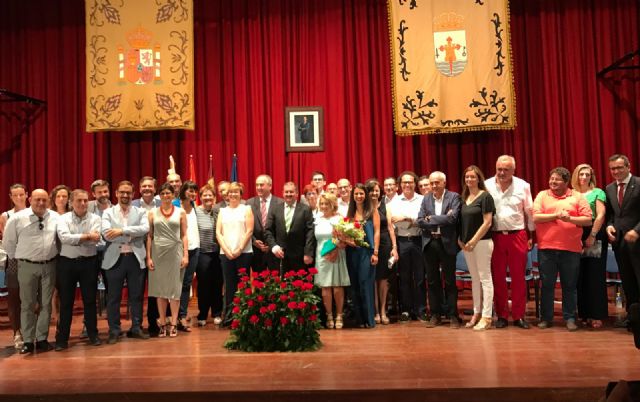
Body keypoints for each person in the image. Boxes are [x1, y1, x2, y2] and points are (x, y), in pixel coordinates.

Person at [533, 167, 592, 331]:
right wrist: (557, 215)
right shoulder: (542, 195)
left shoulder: (577, 196)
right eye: (551, 179)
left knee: (569, 285)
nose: (553, 182)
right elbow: (536, 217)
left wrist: (570, 218)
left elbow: (588, 220)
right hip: (546, 248)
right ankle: (546, 318)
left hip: (570, 249)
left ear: (566, 182)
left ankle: (570, 318)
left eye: (557, 179)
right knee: (547, 285)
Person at [3, 189, 59, 354]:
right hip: (26, 265)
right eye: (37, 199)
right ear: (30, 200)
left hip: (49, 265)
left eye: (44, 200)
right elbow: (8, 243)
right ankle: (28, 340)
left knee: (46, 304)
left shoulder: (55, 217)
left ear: (48, 201)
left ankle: (42, 339)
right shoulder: (17, 218)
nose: (41, 203)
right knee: (27, 304)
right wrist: (20, 259)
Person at [484, 155, 535, 329]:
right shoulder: (487, 185)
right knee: (498, 277)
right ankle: (502, 315)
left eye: (506, 169)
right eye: (499, 169)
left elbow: (529, 211)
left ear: (513, 170)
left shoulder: (523, 185)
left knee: (518, 278)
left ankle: (519, 316)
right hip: (495, 236)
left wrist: (531, 234)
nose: (502, 173)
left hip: (517, 235)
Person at [101, 181, 150, 344]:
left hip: (136, 259)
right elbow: (106, 234)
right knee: (113, 297)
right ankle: (114, 330)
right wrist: (131, 234)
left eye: (128, 192)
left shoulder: (141, 211)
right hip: (114, 260)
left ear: (133, 194)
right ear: (116, 193)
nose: (125, 195)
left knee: (137, 296)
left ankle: (136, 327)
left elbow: (144, 229)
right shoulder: (108, 212)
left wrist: (121, 231)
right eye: (122, 192)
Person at [55, 189, 102, 350]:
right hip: (67, 263)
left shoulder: (95, 218)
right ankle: (62, 339)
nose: (83, 203)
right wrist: (87, 236)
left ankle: (93, 334)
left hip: (89, 263)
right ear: (71, 202)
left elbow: (96, 240)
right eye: (79, 200)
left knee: (90, 301)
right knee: (66, 302)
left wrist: (79, 238)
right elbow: (65, 238)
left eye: (85, 200)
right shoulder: (63, 218)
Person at [418, 171, 462, 328]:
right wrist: (443, 219)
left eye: (437, 182)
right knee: (432, 281)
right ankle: (435, 314)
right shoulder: (426, 198)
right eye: (432, 183)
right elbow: (420, 221)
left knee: (450, 281)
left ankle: (453, 315)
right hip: (430, 243)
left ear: (444, 182)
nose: (434, 185)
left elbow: (453, 218)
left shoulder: (454, 197)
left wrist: (431, 219)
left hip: (447, 243)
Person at [146, 183, 188, 338]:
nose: (165, 196)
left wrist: (186, 255)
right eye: (162, 193)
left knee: (175, 291)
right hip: (158, 254)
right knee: (160, 291)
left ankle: (174, 323)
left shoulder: (181, 212)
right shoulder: (152, 213)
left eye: (168, 193)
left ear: (173, 195)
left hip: (175, 253)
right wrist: (149, 257)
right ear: (159, 195)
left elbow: (184, 235)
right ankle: (163, 323)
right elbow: (149, 236)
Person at [457, 166, 495, 331]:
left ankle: (487, 316)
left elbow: (487, 222)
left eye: (472, 177)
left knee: (485, 278)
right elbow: (462, 222)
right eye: (467, 177)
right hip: (467, 245)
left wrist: (473, 240)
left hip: (482, 243)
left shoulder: (485, 197)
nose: (469, 180)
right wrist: (461, 240)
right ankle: (476, 312)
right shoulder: (464, 197)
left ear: (479, 178)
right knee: (474, 279)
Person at [605, 154, 640, 327]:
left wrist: (637, 230)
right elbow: (611, 215)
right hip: (620, 243)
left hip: (638, 242)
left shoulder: (639, 184)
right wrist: (609, 226)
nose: (616, 171)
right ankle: (633, 317)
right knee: (628, 282)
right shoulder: (610, 188)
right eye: (613, 169)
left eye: (619, 167)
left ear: (628, 166)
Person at [571, 164, 608, 329]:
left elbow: (600, 215)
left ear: (591, 177)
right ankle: (584, 313)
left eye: (587, 174)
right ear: (576, 176)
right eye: (581, 174)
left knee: (594, 275)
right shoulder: (571, 194)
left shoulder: (598, 192)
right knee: (579, 276)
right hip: (575, 233)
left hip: (594, 232)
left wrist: (592, 235)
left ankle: (596, 314)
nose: (584, 177)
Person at [388, 171, 425, 322]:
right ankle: (406, 310)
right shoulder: (394, 202)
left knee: (420, 277)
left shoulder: (423, 200)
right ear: (400, 185)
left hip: (419, 240)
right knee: (404, 278)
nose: (407, 184)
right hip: (402, 241)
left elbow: (424, 220)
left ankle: (421, 310)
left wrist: (406, 218)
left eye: (410, 182)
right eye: (404, 182)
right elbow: (392, 225)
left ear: (415, 184)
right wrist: (394, 247)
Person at [216, 182, 254, 325]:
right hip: (226, 253)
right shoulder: (222, 211)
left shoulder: (246, 209)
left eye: (236, 192)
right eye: (230, 192)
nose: (233, 194)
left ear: (241, 194)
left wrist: (239, 249)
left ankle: (244, 317)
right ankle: (229, 317)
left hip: (244, 253)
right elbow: (218, 232)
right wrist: (226, 250)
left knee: (243, 285)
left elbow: (249, 231)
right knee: (229, 286)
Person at [345, 183, 380, 328]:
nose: (359, 196)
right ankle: (360, 320)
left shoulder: (372, 211)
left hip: (367, 252)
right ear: (352, 196)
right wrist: (347, 240)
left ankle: (369, 319)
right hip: (352, 252)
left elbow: (377, 232)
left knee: (366, 283)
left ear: (365, 195)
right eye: (356, 194)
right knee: (354, 285)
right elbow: (344, 233)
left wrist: (375, 252)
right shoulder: (350, 214)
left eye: (361, 193)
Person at [314, 193, 350, 329]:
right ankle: (329, 315)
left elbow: (345, 239)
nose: (323, 206)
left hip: (336, 255)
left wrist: (336, 249)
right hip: (321, 256)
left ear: (333, 204)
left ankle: (339, 315)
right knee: (325, 287)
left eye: (326, 204)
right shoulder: (316, 219)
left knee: (337, 286)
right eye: (322, 204)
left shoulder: (339, 219)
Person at [0, 183, 28, 350]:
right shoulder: (6, 215)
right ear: (10, 197)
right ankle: (17, 332)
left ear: (26, 195)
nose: (19, 197)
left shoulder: (33, 212)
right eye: (15, 195)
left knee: (31, 298)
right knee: (14, 298)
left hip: (31, 258)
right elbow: (7, 239)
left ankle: (29, 331)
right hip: (14, 261)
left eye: (21, 194)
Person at [366, 179, 398, 325]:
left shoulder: (386, 206)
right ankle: (375, 312)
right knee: (372, 278)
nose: (374, 193)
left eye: (376, 190)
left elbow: (390, 228)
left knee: (383, 279)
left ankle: (383, 310)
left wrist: (394, 247)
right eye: (371, 190)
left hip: (385, 244)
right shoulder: (364, 207)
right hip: (369, 244)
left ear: (380, 192)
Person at [265, 182, 316, 273]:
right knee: (281, 282)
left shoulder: (305, 209)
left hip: (300, 257)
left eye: (291, 192)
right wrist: (274, 246)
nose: (289, 194)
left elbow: (310, 232)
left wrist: (308, 253)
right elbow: (268, 230)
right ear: (283, 193)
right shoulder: (275, 209)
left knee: (299, 282)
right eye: (286, 192)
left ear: (297, 194)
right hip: (279, 255)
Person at [194, 185, 223, 326]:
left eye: (210, 195)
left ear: (215, 197)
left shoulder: (219, 211)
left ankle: (217, 313)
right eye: (204, 195)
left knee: (218, 283)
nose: (207, 198)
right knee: (204, 285)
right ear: (200, 197)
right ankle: (203, 314)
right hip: (202, 253)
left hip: (218, 253)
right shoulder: (196, 211)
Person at [177, 181, 200, 332]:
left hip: (194, 249)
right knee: (175, 284)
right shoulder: (176, 207)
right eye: (189, 191)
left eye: (194, 191)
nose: (192, 194)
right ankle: (172, 316)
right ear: (183, 191)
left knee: (186, 284)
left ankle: (182, 315)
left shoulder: (196, 208)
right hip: (179, 250)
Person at [247, 174, 283, 272]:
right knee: (258, 280)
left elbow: (282, 228)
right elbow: (245, 226)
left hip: (275, 250)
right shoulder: (249, 203)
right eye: (257, 185)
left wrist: (272, 244)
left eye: (261, 185)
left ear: (270, 186)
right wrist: (254, 241)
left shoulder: (280, 203)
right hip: (256, 251)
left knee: (276, 280)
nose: (258, 187)